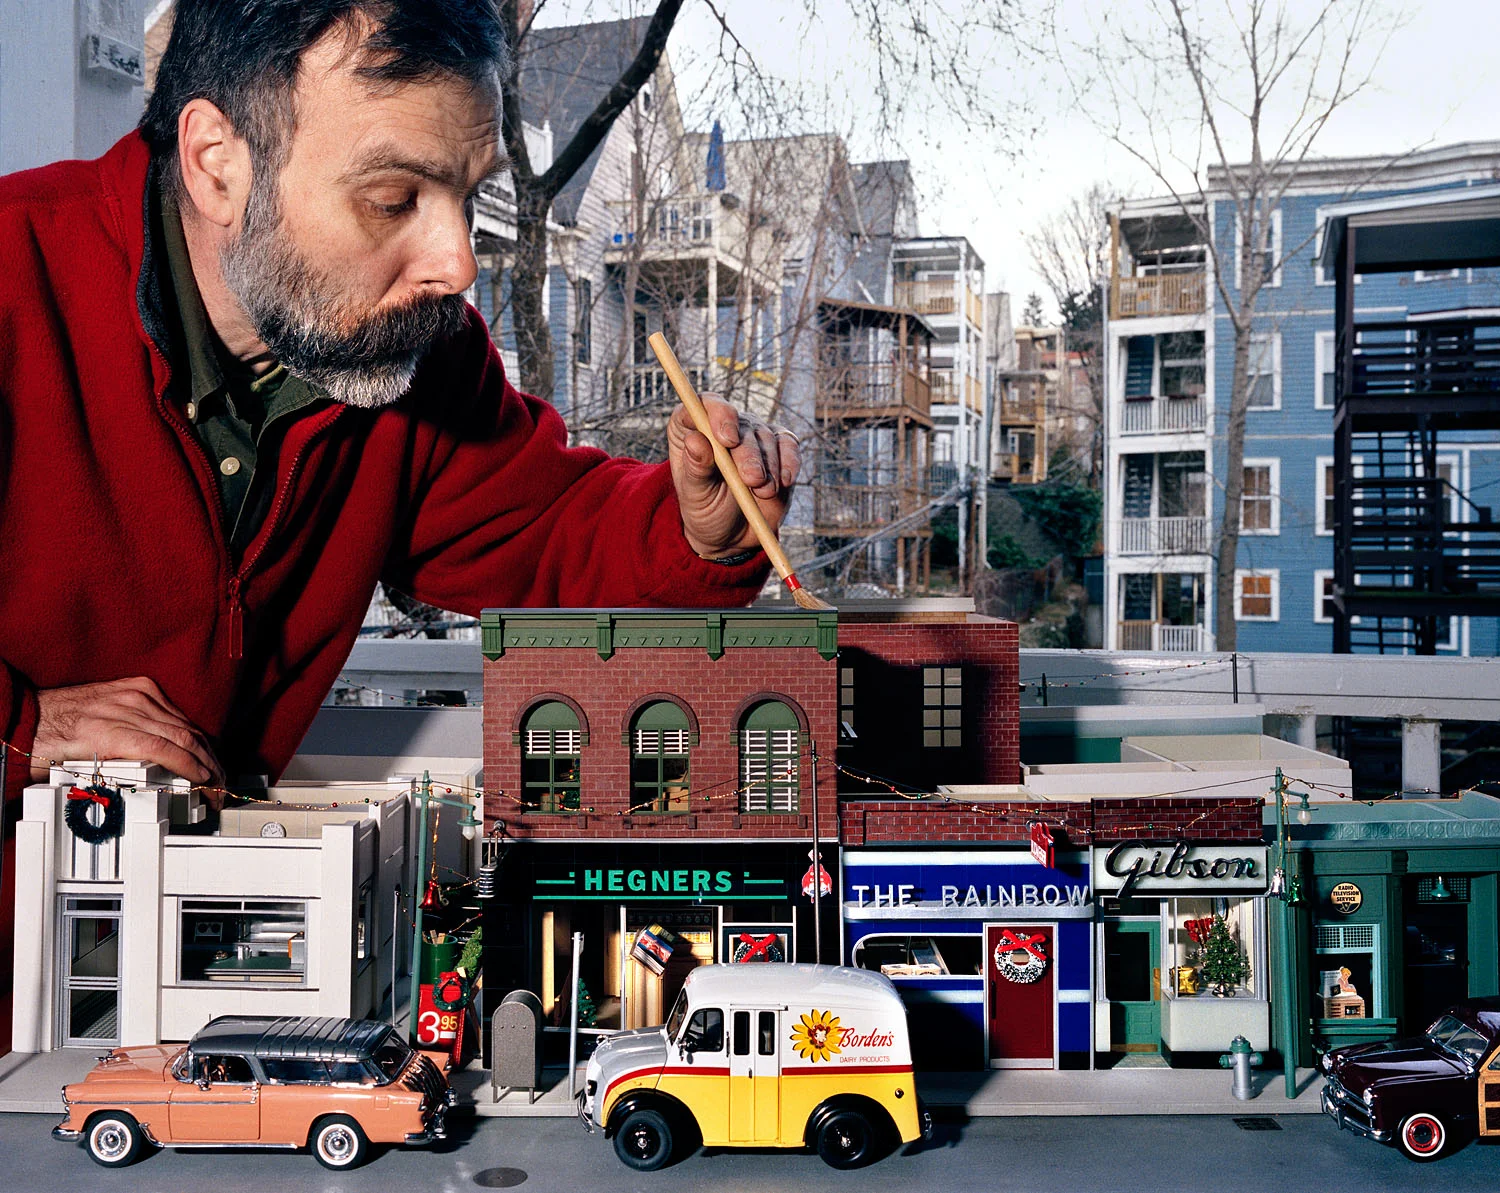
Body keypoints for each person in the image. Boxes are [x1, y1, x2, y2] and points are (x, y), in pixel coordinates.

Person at [0, 0, 799, 808]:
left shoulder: (417, 350)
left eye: (467, 196)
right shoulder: (11, 280)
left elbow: (546, 530)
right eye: (391, 199)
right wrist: (18, 729)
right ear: (216, 165)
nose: (457, 265)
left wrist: (696, 531)